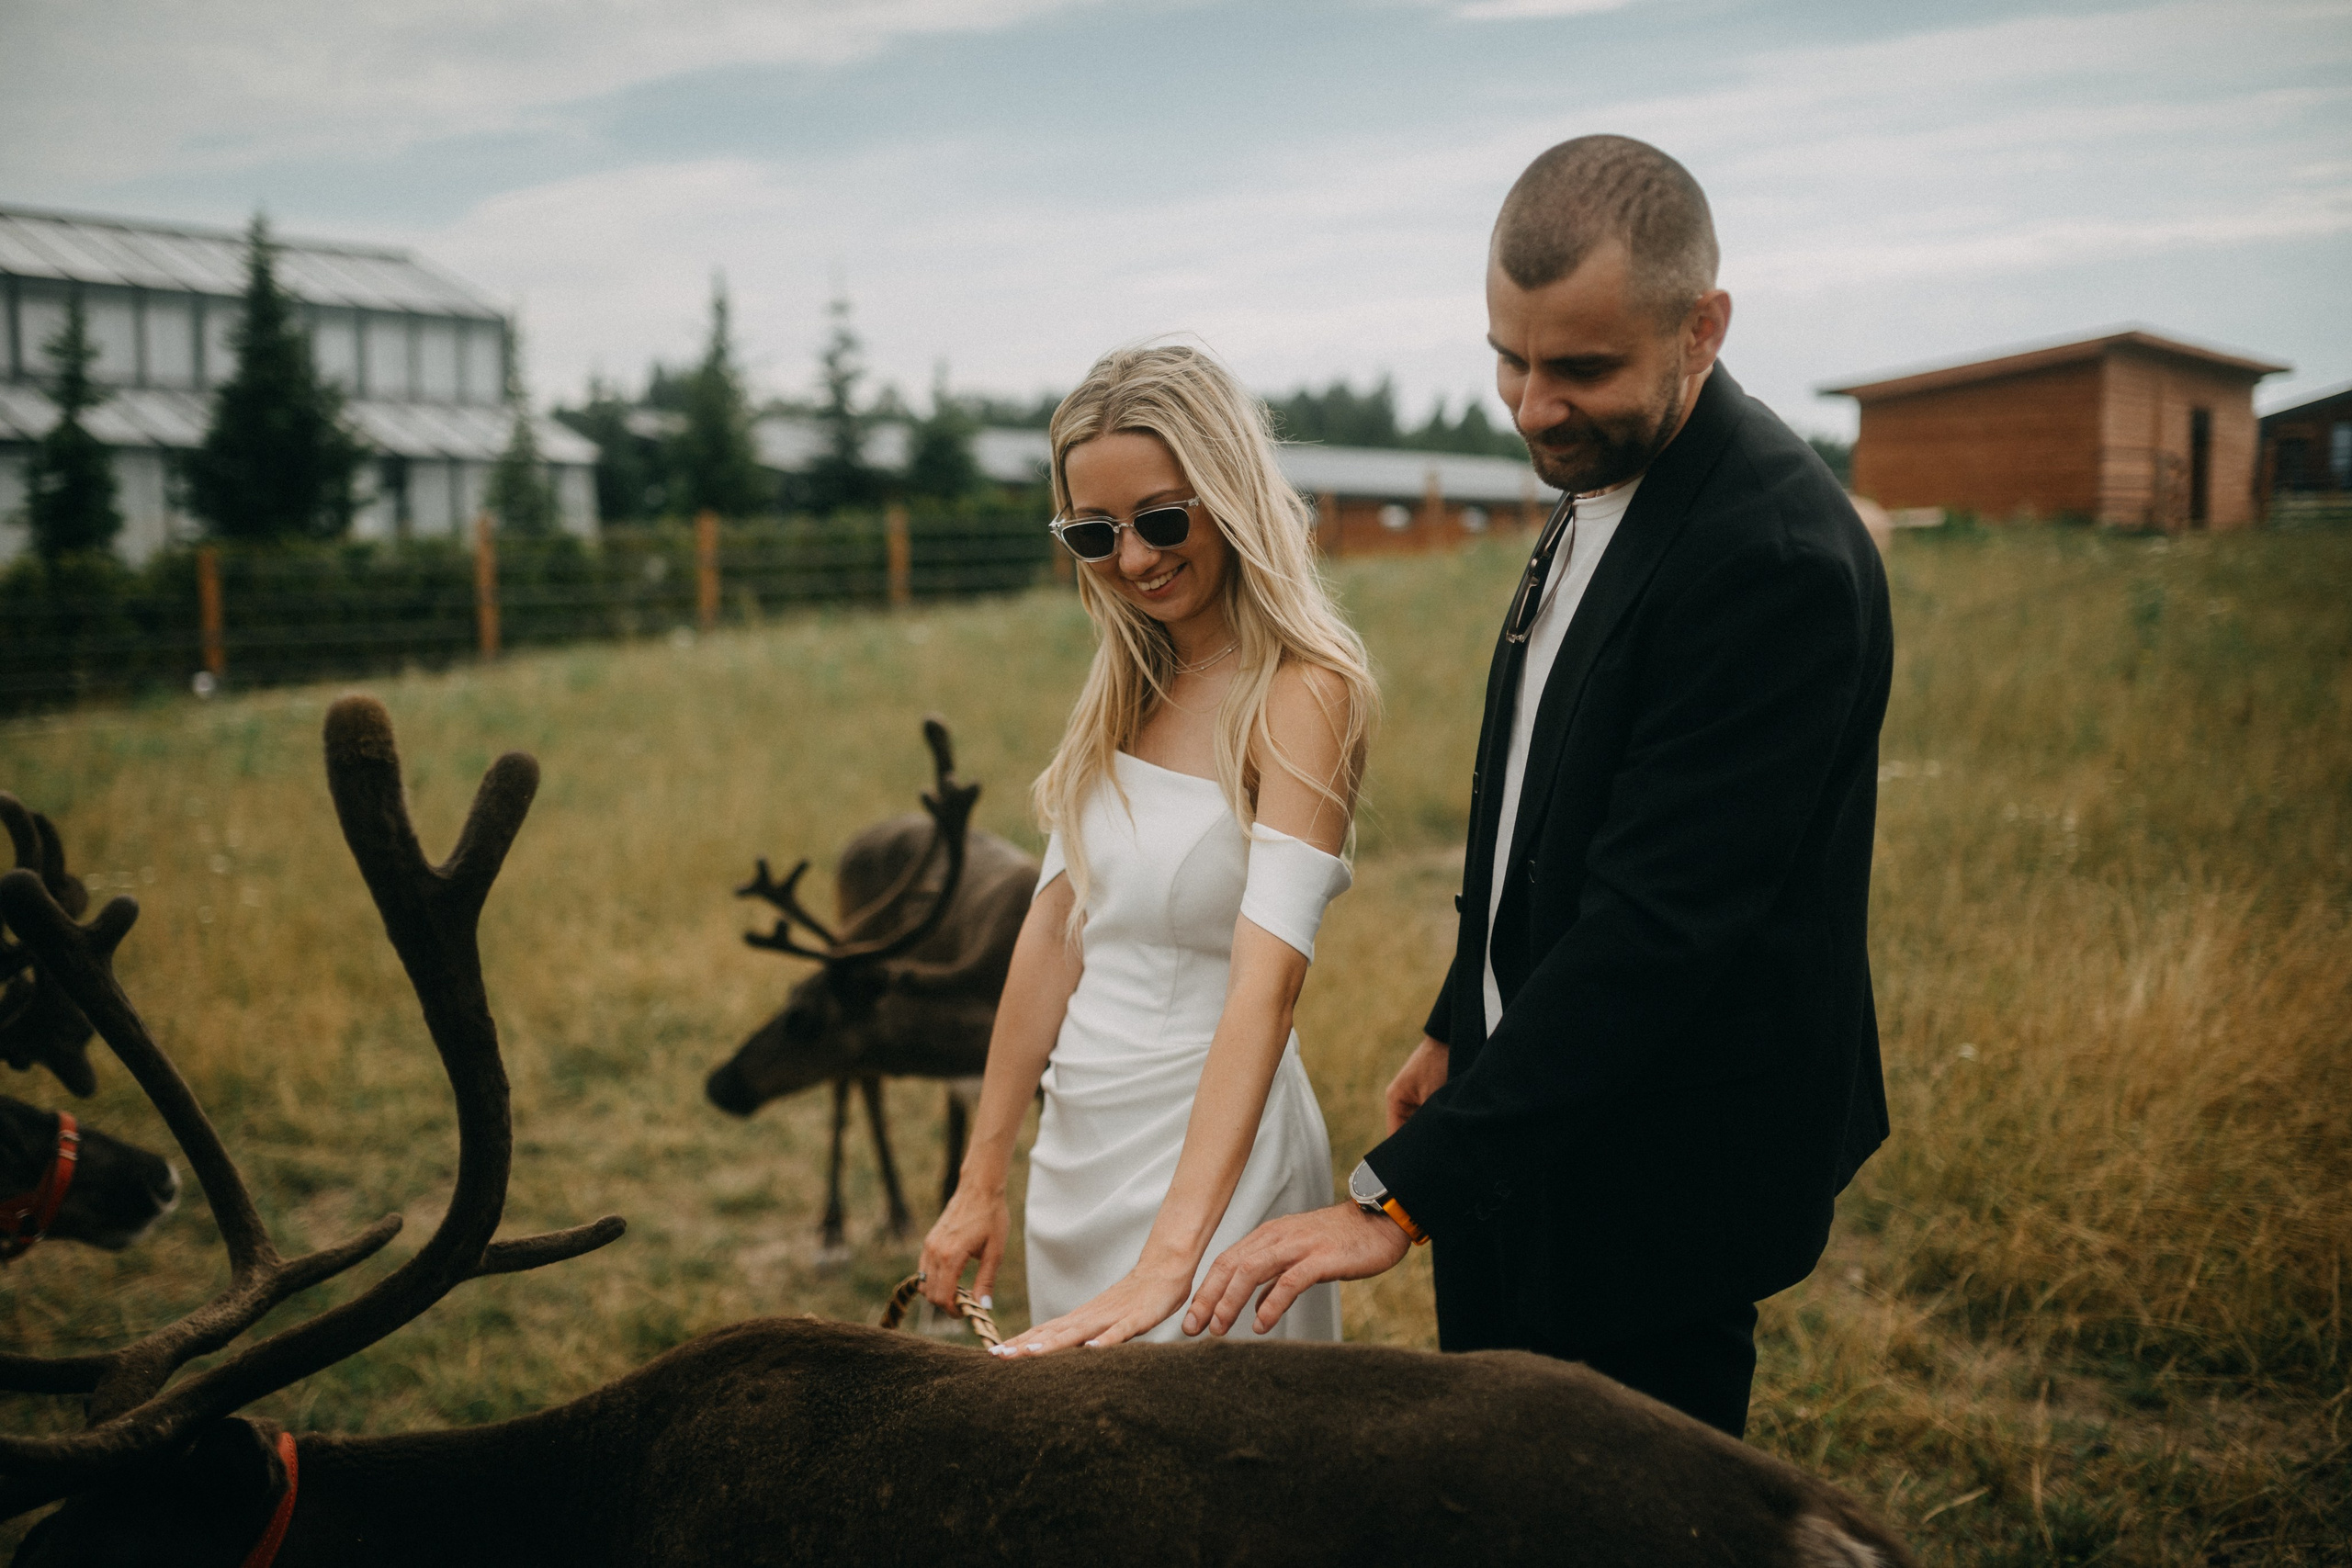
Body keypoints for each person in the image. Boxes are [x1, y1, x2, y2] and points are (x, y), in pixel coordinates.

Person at [1184, 134, 1894, 1439]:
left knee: (1610, 1507)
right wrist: (1466, 1014)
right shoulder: (1607, 478)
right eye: (1508, 357)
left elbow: (1658, 929)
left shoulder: (1772, 560)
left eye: (1581, 368)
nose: (1531, 406)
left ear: (1704, 325)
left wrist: (1398, 1193)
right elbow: (1533, 804)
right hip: (1525, 1114)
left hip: (1661, 1164)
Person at [918, 342, 1377, 1354]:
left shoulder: (1302, 693)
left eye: (1162, 520)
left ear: (1232, 494)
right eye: (1093, 533)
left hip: (1216, 1163)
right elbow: (1053, 933)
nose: (1132, 560)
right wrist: (981, 1178)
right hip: (1082, 1146)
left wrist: (1173, 1259)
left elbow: (1267, 988)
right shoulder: (1123, 680)